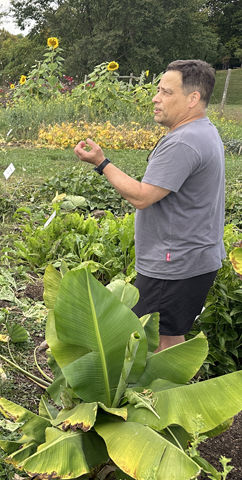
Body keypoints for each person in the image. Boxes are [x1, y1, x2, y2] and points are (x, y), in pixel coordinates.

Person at [73, 59, 225, 352]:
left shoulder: (185, 141)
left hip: (175, 263)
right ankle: (175, 394)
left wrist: (101, 162)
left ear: (193, 98)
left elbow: (142, 196)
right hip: (191, 258)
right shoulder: (204, 131)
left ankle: (165, 397)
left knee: (157, 342)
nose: (156, 98)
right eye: (158, 90)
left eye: (166, 92)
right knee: (169, 338)